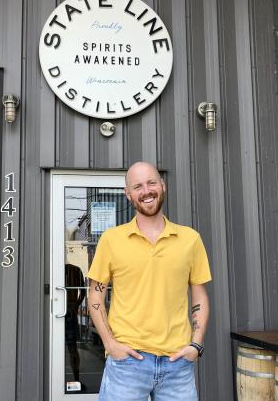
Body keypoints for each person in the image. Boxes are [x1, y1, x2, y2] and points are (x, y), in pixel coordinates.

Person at [87, 161, 211, 401]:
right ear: (128, 194)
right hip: (128, 364)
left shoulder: (190, 239)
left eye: (152, 182)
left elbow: (199, 295)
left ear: (162, 185)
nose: (146, 191)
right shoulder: (112, 240)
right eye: (138, 186)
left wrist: (195, 345)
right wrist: (110, 344)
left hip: (178, 364)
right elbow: (95, 295)